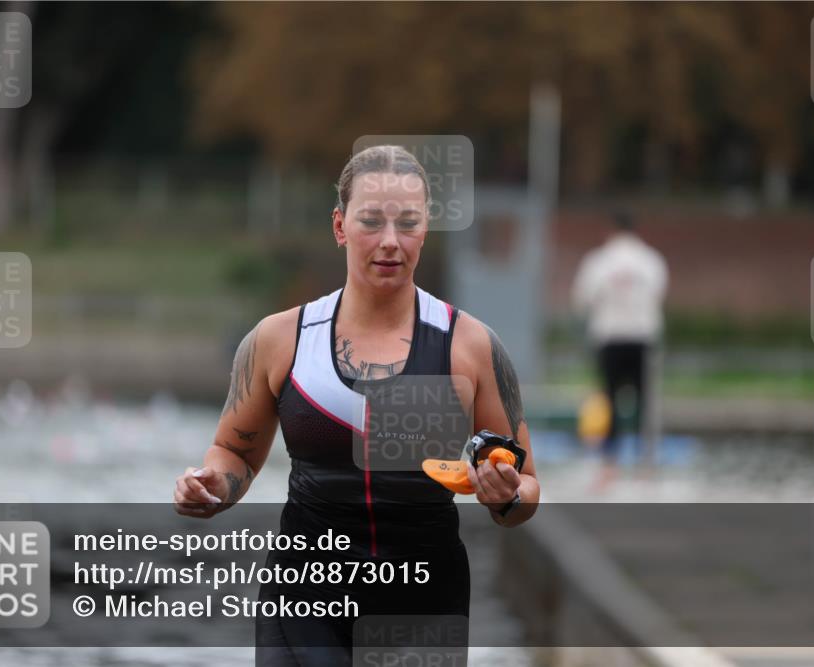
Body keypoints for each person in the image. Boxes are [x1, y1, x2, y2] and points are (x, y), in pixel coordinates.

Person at [173, 145, 540, 665]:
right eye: (371, 221)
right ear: (340, 226)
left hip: (421, 606)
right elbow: (233, 452)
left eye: (407, 223)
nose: (390, 242)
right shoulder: (278, 340)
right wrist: (210, 486)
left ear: (425, 229)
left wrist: (504, 494)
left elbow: (526, 490)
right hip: (303, 601)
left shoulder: (472, 347)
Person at [571, 210, 668, 490]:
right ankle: (645, 465)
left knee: (609, 400)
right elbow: (659, 294)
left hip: (610, 337)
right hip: (643, 337)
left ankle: (608, 467)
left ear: (610, 231)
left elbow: (582, 299)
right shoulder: (651, 260)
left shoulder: (599, 261)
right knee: (645, 402)